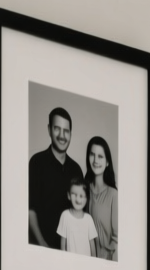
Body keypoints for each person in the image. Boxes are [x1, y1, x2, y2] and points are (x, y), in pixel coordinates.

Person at [28, 107, 84, 249]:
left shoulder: (76, 170)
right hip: (39, 247)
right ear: (49, 130)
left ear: (71, 134)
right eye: (57, 129)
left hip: (68, 251)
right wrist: (42, 246)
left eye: (66, 131)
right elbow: (30, 210)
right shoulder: (36, 162)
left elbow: (79, 214)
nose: (62, 135)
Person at [84, 136, 118, 261]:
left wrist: (107, 257)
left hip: (106, 261)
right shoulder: (83, 190)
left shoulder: (114, 195)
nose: (95, 160)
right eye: (92, 155)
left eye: (100, 156)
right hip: (84, 258)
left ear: (107, 162)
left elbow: (117, 238)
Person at [57, 178, 98, 257]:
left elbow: (92, 244)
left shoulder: (88, 219)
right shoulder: (65, 215)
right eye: (74, 194)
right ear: (68, 195)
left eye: (82, 196)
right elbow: (63, 244)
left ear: (87, 199)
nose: (78, 199)